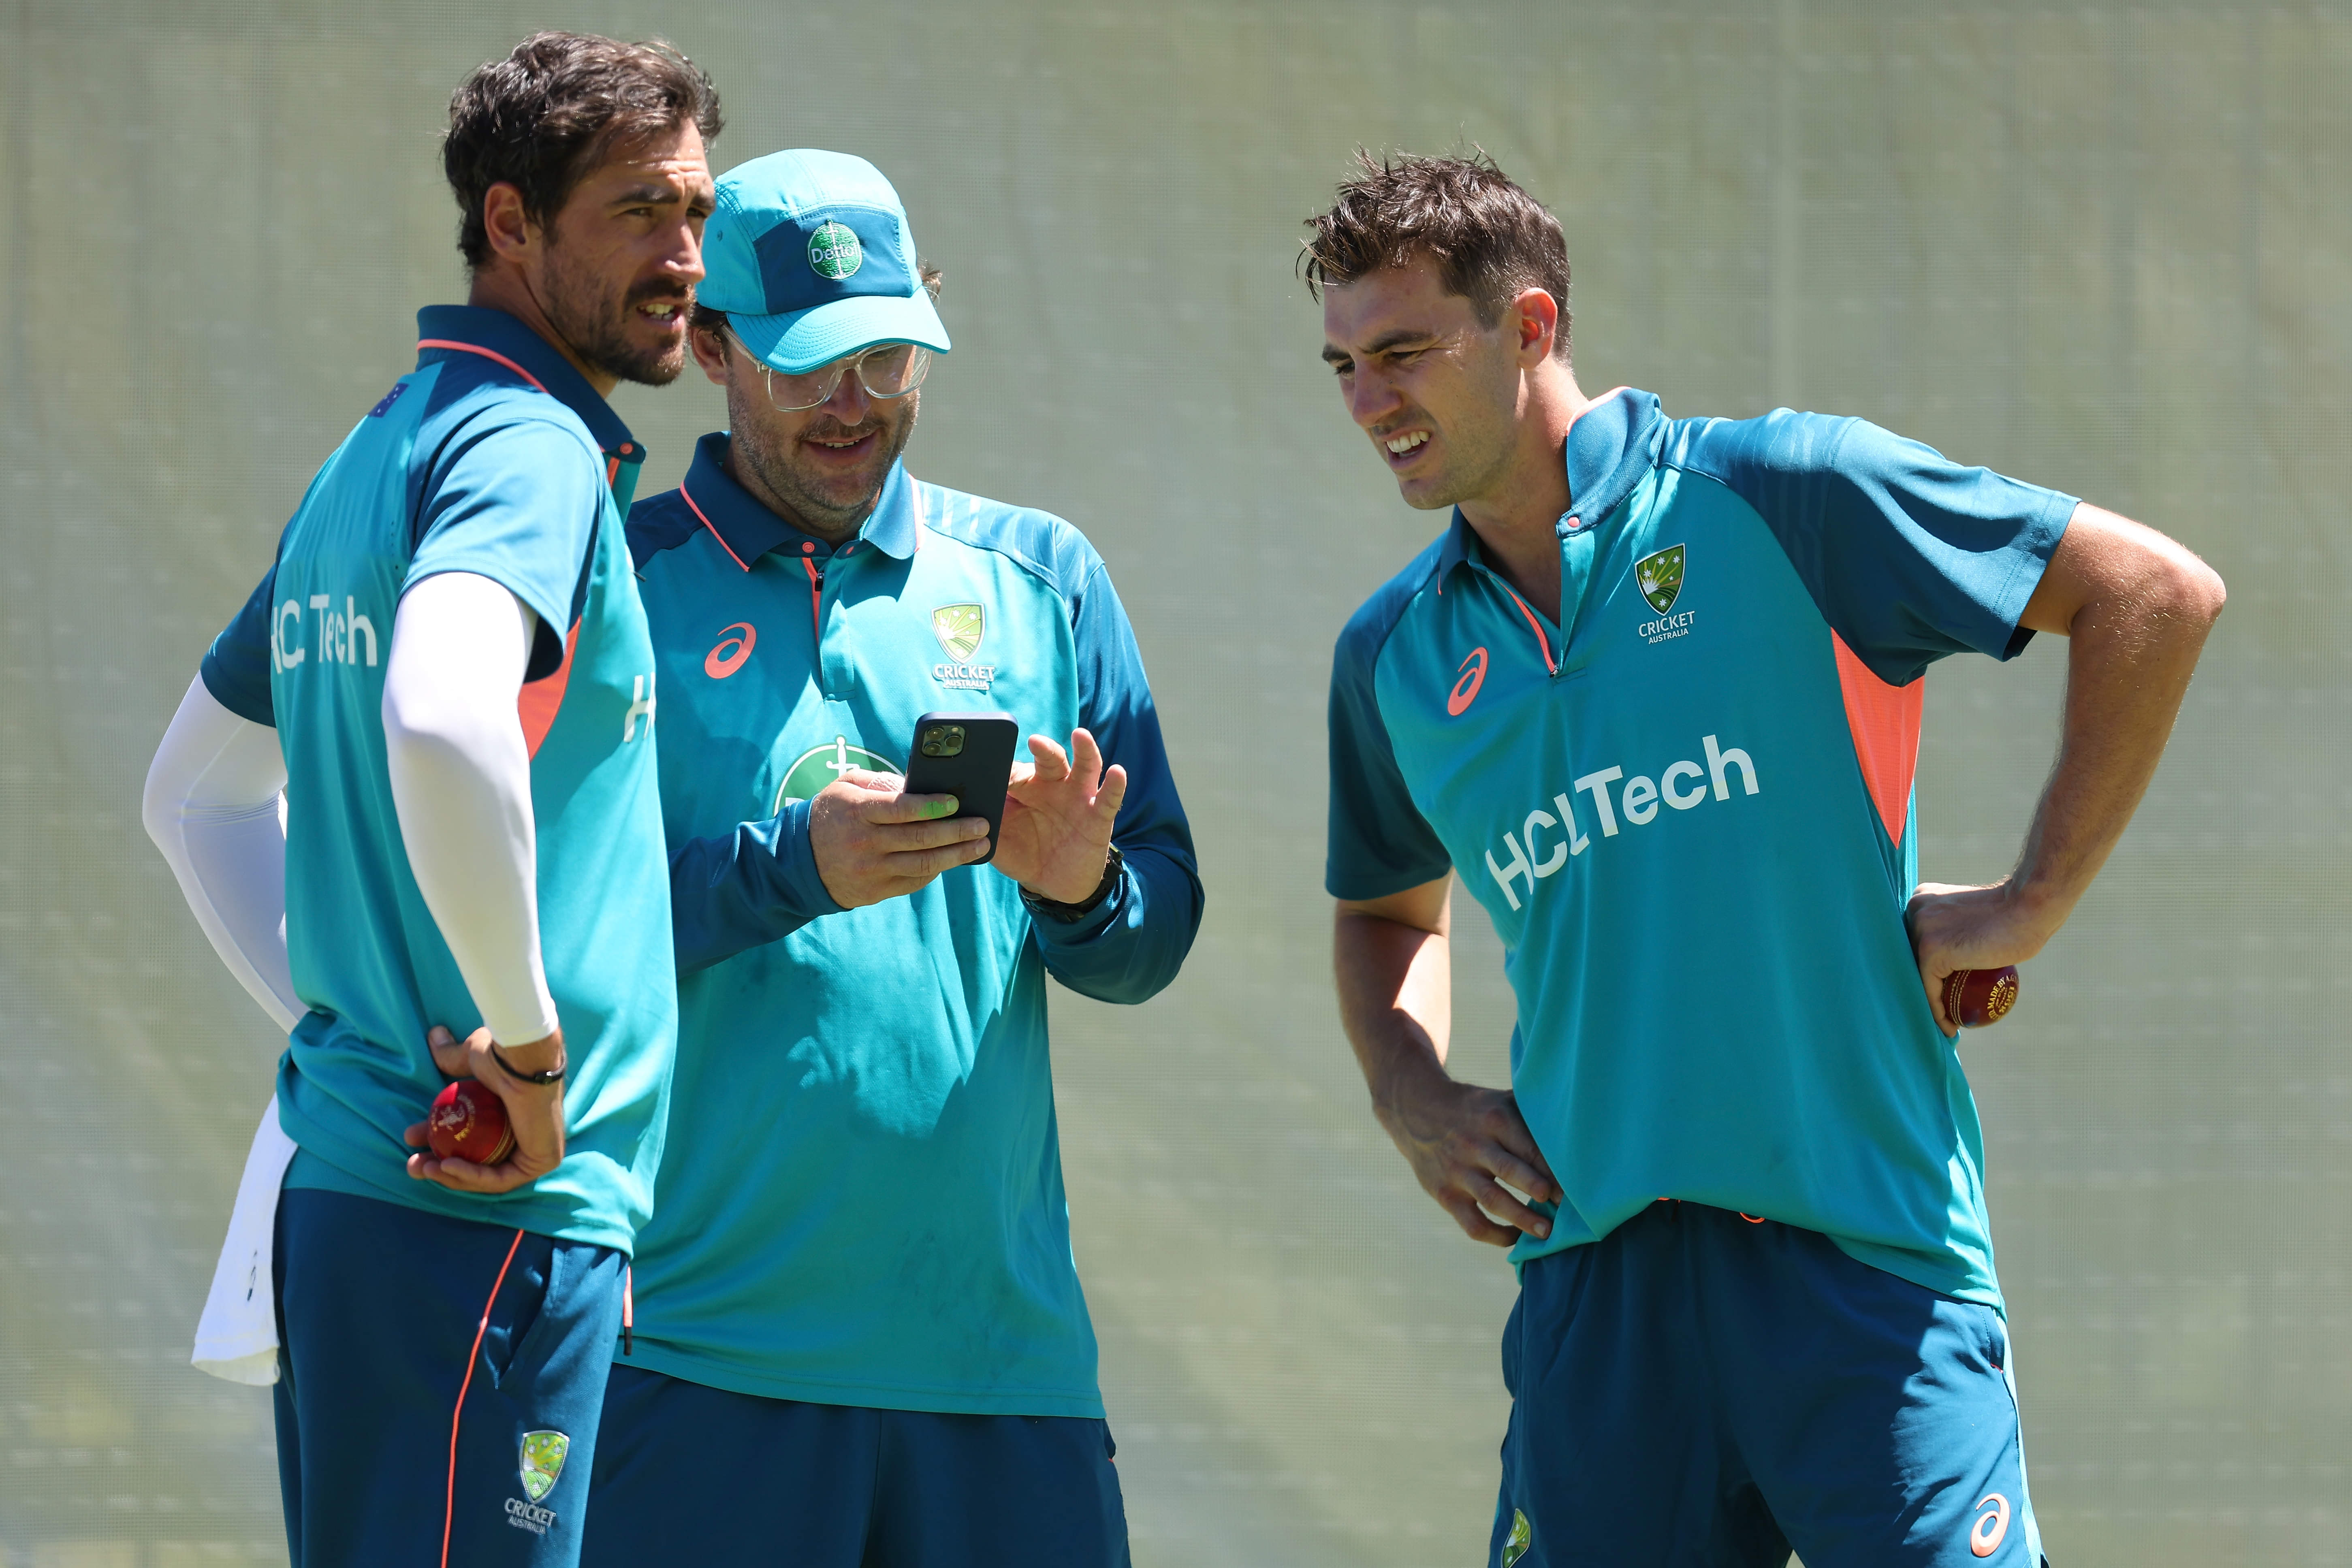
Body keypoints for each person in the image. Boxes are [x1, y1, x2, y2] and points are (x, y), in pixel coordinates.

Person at [1306, 152, 2224, 1568]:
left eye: (1405, 352)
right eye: (1346, 366)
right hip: (1598, 1297)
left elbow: (2151, 594)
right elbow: (1384, 911)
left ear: (1533, 327)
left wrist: (2034, 898)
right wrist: (1407, 1087)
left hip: (1863, 1259)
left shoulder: (1782, 491)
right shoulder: (1393, 658)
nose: (1371, 404)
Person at [573, 149, 1202, 1568]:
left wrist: (1082, 892)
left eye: (886, 357)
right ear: (714, 347)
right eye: (808, 368)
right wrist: (791, 868)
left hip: (1003, 1370)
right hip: (693, 1356)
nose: (854, 406)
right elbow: (547, 935)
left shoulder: (1046, 580)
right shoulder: (610, 575)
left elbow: (1157, 928)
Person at [140, 32, 719, 1565]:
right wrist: (527, 1055)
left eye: (697, 214)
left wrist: (370, 1039)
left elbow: (189, 793)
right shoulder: (526, 450)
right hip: (485, 1217)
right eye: (638, 213)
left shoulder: (372, 455)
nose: (683, 259)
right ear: (512, 224)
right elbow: (445, 717)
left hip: (372, 1203)